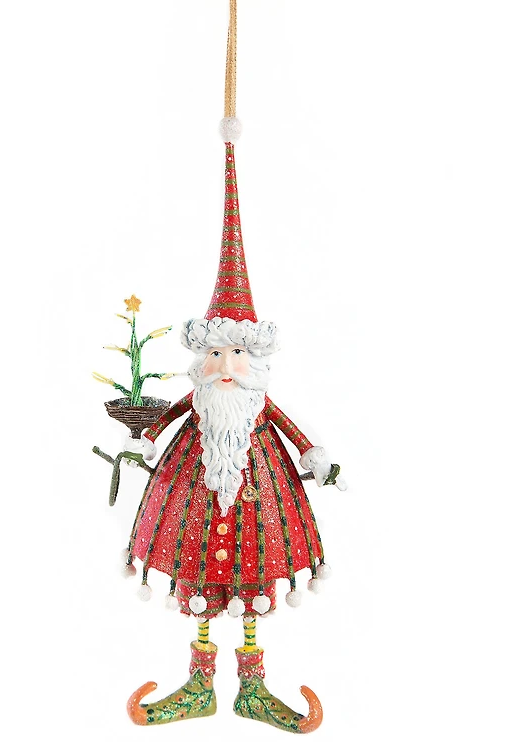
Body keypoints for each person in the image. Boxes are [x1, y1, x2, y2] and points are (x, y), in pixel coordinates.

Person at [122, 144, 346, 734]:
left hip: (259, 499)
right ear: (202, 356)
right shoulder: (199, 402)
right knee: (195, 567)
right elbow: (166, 416)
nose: (226, 365)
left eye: (238, 352)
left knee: (254, 575)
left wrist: (317, 458)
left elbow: (292, 430)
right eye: (217, 352)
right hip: (194, 496)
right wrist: (145, 435)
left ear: (257, 357)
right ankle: (200, 686)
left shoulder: (256, 404)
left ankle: (250, 689)